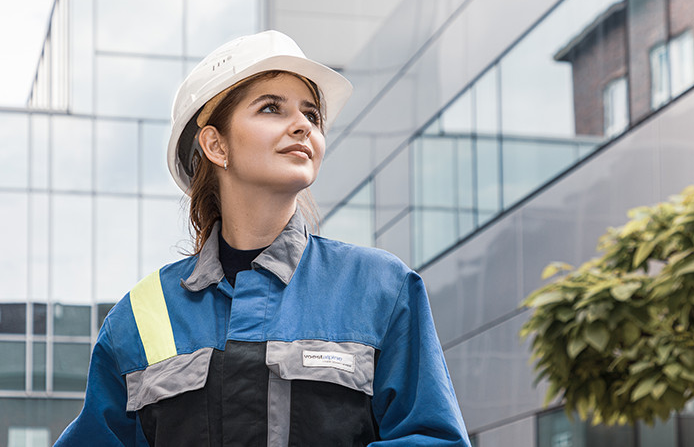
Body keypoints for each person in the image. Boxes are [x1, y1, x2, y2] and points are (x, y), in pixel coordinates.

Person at [55, 30, 470, 446]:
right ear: (216, 145)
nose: (302, 126)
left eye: (312, 114)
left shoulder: (380, 288)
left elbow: (433, 438)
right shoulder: (141, 316)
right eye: (272, 107)